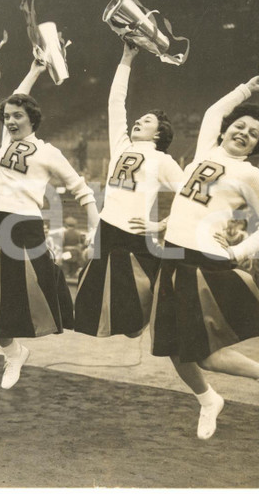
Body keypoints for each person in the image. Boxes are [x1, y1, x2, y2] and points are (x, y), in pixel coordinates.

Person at [150, 74, 259, 440]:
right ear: (227, 130)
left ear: (255, 146)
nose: (243, 133)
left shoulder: (251, 174)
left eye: (253, 134)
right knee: (171, 347)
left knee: (206, 354)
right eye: (239, 126)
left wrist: (237, 250)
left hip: (204, 262)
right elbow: (214, 111)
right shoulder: (206, 152)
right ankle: (208, 399)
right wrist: (249, 88)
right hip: (172, 255)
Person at [0, 60, 100, 389]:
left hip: (27, 226)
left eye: (17, 116)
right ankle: (13, 353)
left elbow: (81, 189)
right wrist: (36, 68)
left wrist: (96, 228)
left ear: (32, 119)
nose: (10, 120)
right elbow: (18, 95)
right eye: (7, 116)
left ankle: (20, 351)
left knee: (30, 297)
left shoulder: (49, 152)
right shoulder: (5, 144)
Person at [74, 42, 182, 339]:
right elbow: (115, 105)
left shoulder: (163, 160)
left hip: (133, 235)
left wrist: (160, 225)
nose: (138, 121)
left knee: (144, 297)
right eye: (139, 118)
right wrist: (125, 59)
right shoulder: (122, 145)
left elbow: (190, 197)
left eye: (146, 121)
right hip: (107, 230)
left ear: (158, 133)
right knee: (96, 303)